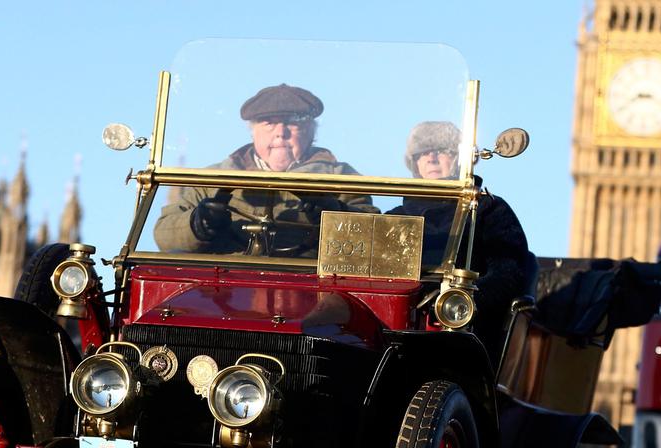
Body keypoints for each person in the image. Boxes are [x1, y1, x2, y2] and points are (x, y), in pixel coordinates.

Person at [154, 83, 375, 253]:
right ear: (253, 131)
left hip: (311, 286)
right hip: (224, 287)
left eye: (293, 122)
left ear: (311, 130)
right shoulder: (214, 178)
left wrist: (334, 215)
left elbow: (375, 240)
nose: (281, 132)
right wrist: (198, 224)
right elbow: (164, 234)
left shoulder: (341, 179)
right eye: (269, 122)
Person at [389, 121, 534, 362]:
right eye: (423, 153)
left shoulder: (489, 210)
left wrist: (462, 301)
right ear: (414, 162)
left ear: (460, 158)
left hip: (463, 333)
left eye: (442, 150)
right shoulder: (395, 217)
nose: (432, 158)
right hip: (395, 329)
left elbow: (508, 274)